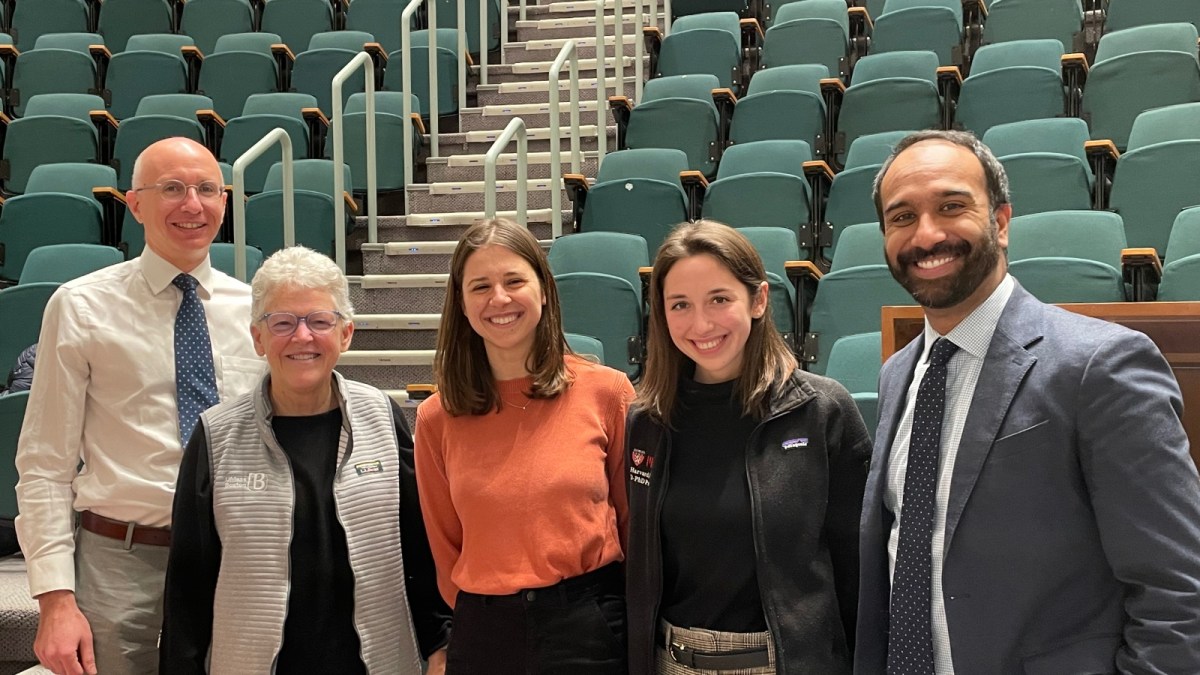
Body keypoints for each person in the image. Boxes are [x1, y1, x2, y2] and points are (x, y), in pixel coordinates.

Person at [856, 129, 1200, 674]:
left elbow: (1180, 592)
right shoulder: (900, 372)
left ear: (1000, 221)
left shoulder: (1100, 365)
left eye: (951, 206)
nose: (926, 235)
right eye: (901, 218)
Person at [14, 137, 263, 675]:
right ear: (135, 204)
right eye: (171, 188)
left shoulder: (256, 311)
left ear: (225, 201)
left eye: (207, 189)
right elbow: (44, 465)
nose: (192, 205)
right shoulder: (81, 306)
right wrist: (55, 600)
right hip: (120, 559)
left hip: (235, 555)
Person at [160, 246, 451, 674]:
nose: (302, 337)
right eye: (282, 322)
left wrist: (440, 645)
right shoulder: (216, 435)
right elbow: (188, 586)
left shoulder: (384, 419)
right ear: (258, 338)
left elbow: (418, 553)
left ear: (346, 333)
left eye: (319, 321)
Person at [626, 221, 871, 675]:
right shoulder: (646, 423)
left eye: (720, 299)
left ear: (758, 300)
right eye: (680, 304)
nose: (701, 324)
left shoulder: (821, 410)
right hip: (671, 663)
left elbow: (859, 571)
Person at [415, 218, 635, 674]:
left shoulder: (607, 392)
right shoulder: (437, 418)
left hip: (588, 626)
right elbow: (444, 545)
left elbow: (633, 522)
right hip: (484, 634)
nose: (498, 298)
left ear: (543, 290)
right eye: (480, 286)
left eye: (514, 280)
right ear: (461, 302)